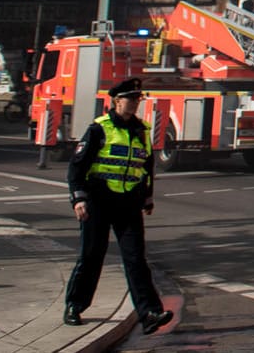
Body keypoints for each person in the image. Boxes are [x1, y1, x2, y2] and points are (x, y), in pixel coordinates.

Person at [63, 78, 173, 334]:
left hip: (128, 204)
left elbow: (146, 167)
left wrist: (147, 197)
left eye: (137, 99)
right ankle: (74, 306)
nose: (135, 103)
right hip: (98, 201)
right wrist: (78, 198)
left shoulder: (142, 130)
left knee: (136, 259)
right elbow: (76, 168)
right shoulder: (99, 129)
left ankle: (150, 314)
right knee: (91, 256)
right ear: (116, 101)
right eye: (130, 99)